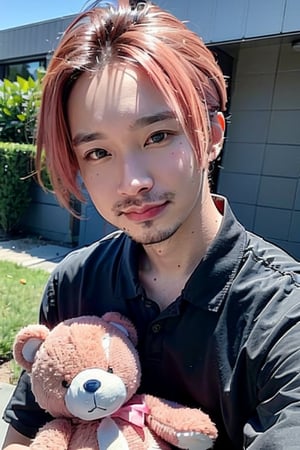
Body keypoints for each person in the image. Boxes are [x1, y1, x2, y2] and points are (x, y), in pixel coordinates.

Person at [3, 1, 300, 449]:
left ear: (213, 134)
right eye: (98, 152)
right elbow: (23, 436)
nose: (133, 182)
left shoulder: (281, 318)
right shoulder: (75, 282)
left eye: (158, 135)